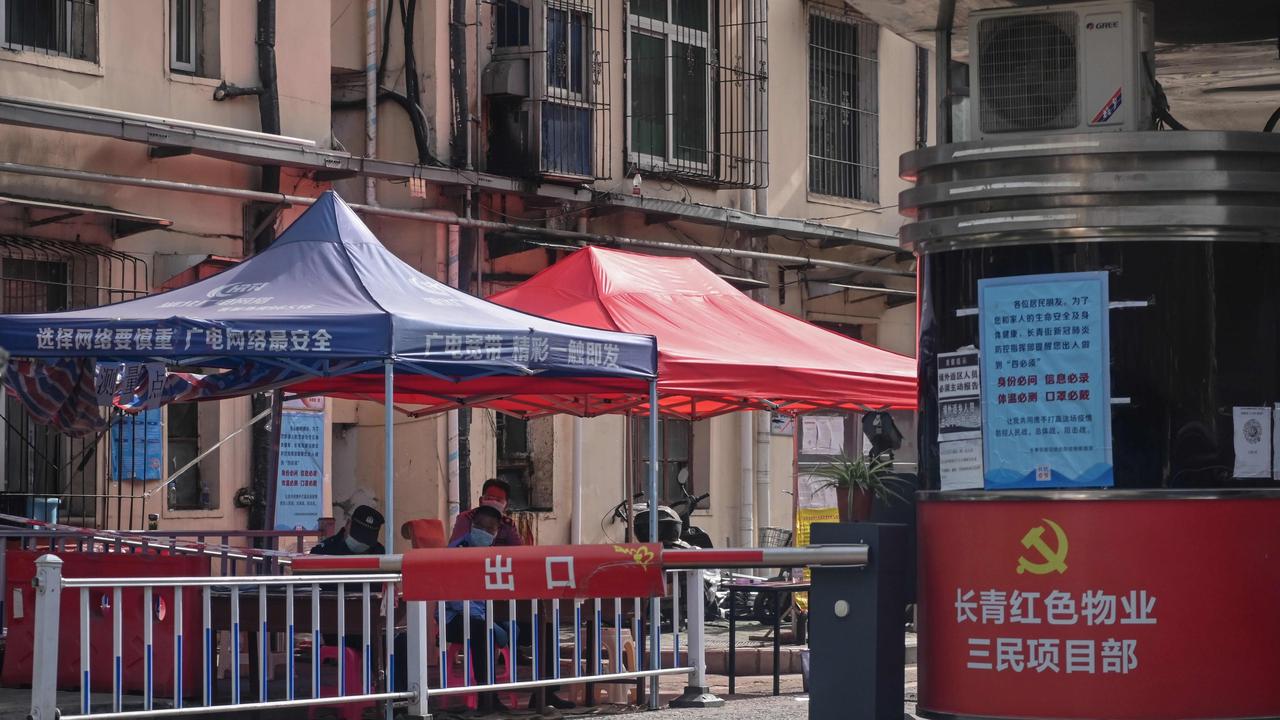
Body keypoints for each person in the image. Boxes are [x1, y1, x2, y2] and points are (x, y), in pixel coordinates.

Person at [446, 504, 515, 713]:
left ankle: (544, 695)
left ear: (496, 534)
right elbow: (457, 602)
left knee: (536, 625)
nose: (485, 533)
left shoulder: (491, 556)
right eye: (481, 527)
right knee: (483, 630)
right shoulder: (456, 553)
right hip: (454, 619)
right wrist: (489, 622)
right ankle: (487, 698)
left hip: (484, 616)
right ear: (472, 527)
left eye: (491, 530)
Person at [449, 478, 522, 546]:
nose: (493, 502)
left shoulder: (507, 524)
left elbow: (519, 552)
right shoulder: (466, 517)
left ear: (506, 506)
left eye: (498, 500)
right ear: (481, 501)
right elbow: (454, 550)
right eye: (489, 498)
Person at [311, 504, 386, 555]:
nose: (359, 542)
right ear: (347, 524)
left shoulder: (378, 551)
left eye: (365, 540)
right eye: (357, 535)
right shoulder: (325, 550)